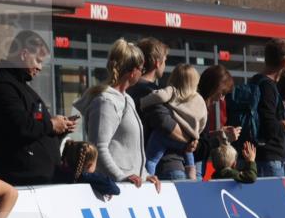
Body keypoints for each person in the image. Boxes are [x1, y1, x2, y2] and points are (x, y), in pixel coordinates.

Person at [0, 31, 76, 185]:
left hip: (37, 180)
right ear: (24, 54)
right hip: (23, 182)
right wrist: (52, 125)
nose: (40, 68)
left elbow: (34, 128)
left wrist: (59, 129)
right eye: (38, 61)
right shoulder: (4, 87)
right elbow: (21, 127)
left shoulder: (20, 87)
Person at [73, 39, 161, 192]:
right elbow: (98, 148)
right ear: (132, 72)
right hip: (115, 190)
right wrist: (121, 177)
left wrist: (145, 174)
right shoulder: (106, 101)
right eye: (142, 68)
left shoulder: (127, 99)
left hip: (129, 186)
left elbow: (130, 149)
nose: (142, 72)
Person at [230, 39, 285, 178]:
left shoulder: (254, 81)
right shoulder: (268, 87)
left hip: (249, 157)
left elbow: (264, 125)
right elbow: (272, 129)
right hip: (267, 161)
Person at [129, 38, 199, 180]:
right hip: (165, 167)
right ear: (157, 62)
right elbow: (165, 123)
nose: (165, 65)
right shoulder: (152, 93)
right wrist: (190, 139)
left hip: (139, 166)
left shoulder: (130, 90)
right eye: (165, 60)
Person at [140, 64, 207, 180]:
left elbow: (159, 97)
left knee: (151, 160)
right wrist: (195, 135)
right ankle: (192, 174)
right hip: (187, 141)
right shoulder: (199, 99)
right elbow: (203, 121)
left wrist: (142, 103)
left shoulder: (172, 90)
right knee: (190, 162)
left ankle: (149, 178)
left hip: (165, 135)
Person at [55, 140, 121, 198]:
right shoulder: (88, 178)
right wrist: (106, 190)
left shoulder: (57, 173)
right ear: (90, 165)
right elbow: (115, 190)